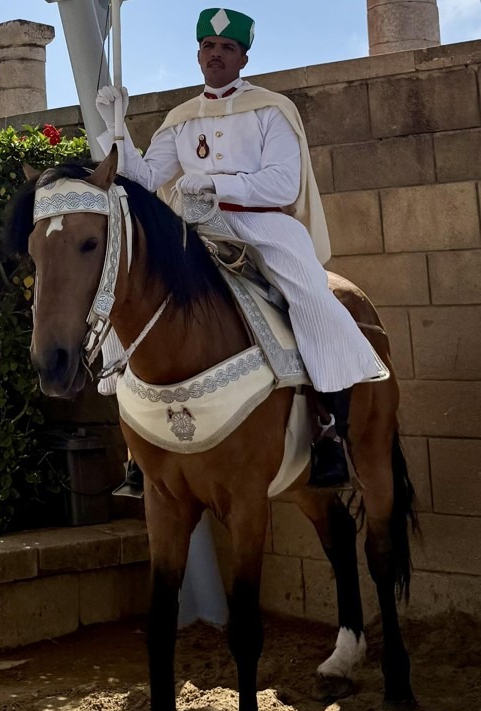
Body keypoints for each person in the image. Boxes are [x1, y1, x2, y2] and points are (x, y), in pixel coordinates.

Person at [95, 7, 383, 488]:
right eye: (209, 47)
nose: (216, 55)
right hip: (196, 229)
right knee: (130, 291)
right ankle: (135, 441)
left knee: (313, 298)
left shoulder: (272, 109)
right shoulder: (181, 119)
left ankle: (328, 431)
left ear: (243, 58)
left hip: (265, 228)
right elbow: (145, 180)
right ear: (198, 54)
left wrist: (215, 182)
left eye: (227, 48)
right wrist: (116, 130)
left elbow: (282, 184)